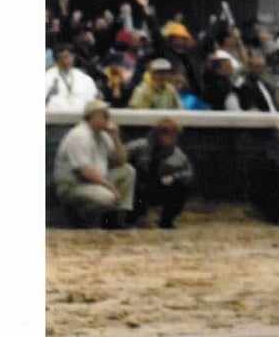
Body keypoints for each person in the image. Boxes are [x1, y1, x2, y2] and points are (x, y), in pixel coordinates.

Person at [52, 98, 137, 228]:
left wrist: (115, 137)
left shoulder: (102, 135)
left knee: (127, 171)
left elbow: (121, 161)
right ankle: (81, 218)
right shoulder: (80, 135)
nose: (108, 119)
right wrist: (111, 188)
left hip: (94, 181)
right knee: (108, 197)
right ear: (93, 117)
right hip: (73, 185)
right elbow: (85, 171)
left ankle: (117, 218)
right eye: (104, 116)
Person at [125, 117, 195, 230]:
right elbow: (122, 157)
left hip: (158, 187)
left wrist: (174, 177)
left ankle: (166, 220)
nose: (168, 138)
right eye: (164, 134)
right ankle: (135, 217)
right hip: (136, 188)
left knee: (182, 186)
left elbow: (189, 173)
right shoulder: (138, 147)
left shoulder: (178, 155)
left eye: (172, 135)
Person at [45, 45, 100, 112]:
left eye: (69, 56)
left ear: (73, 57)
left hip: (80, 116)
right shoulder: (48, 77)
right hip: (55, 117)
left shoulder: (84, 78)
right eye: (64, 56)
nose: (67, 59)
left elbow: (94, 98)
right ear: (57, 58)